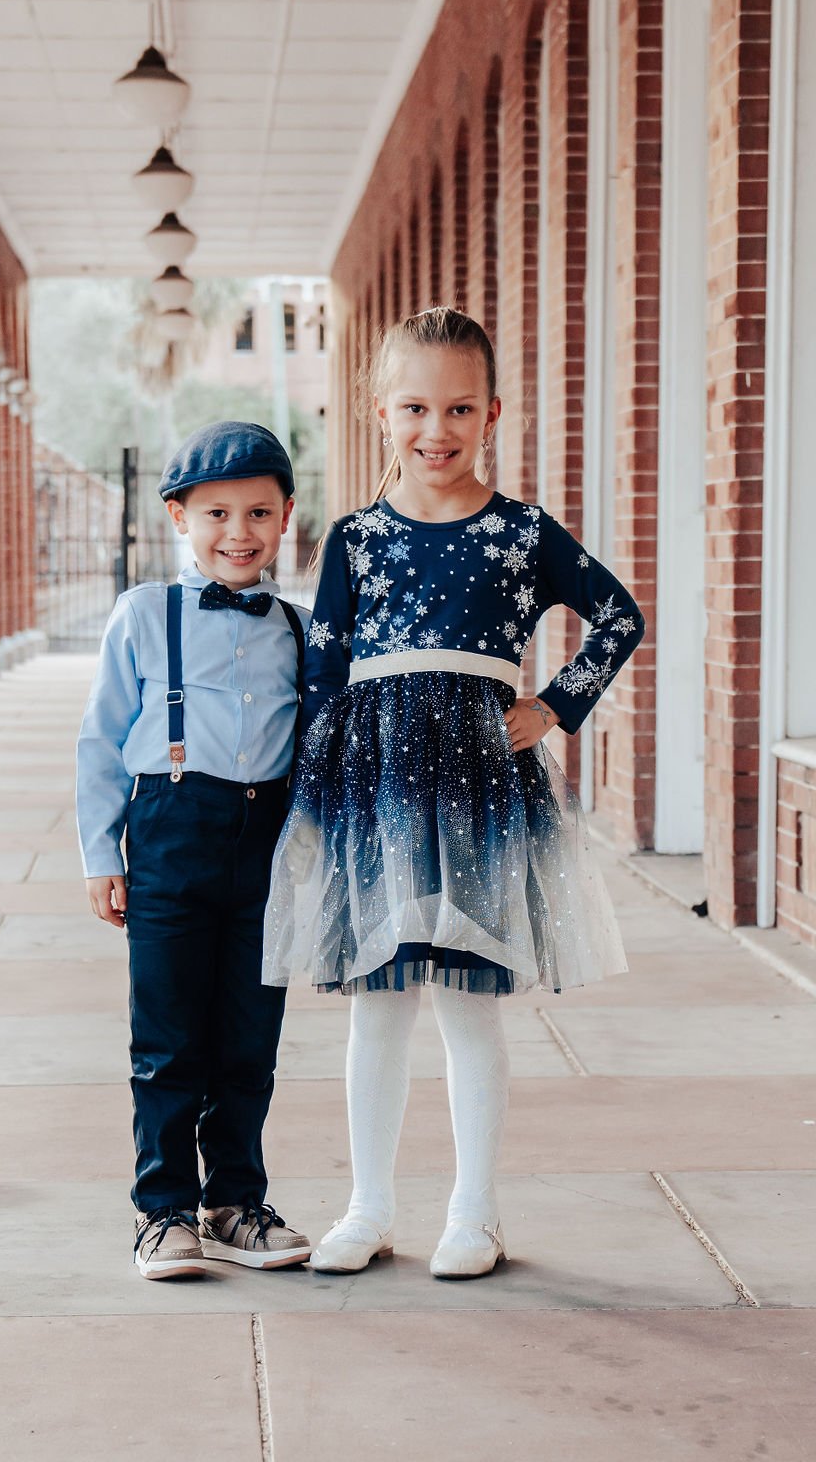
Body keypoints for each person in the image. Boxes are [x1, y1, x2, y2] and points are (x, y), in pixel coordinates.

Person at [263, 307, 645, 1279]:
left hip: (478, 783)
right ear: (381, 411)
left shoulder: (520, 533)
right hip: (376, 783)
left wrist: (554, 705)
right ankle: (368, 1207)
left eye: (459, 408)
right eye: (416, 407)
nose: (437, 428)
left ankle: (472, 1214)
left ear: (493, 415)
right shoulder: (352, 539)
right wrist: (311, 789)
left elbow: (615, 615)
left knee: (469, 1003)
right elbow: (323, 664)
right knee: (377, 1005)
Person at [77, 421, 312, 1281]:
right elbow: (100, 745)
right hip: (171, 831)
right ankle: (163, 1210)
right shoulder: (144, 614)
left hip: (269, 841)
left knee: (251, 1036)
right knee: (169, 1036)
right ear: (179, 516)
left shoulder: (301, 626)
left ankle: (235, 1202)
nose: (238, 533)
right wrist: (102, 855)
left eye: (258, 512)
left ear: (287, 517)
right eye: (217, 512)